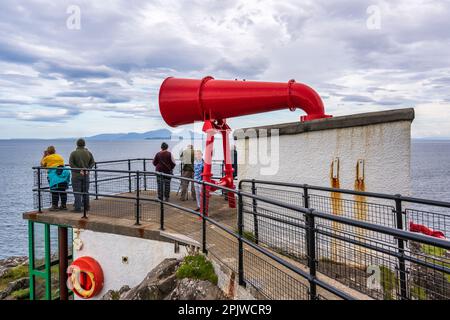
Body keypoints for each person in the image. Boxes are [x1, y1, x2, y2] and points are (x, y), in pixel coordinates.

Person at [69, 138, 95, 213]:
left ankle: (77, 208)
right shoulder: (88, 153)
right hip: (86, 174)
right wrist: (88, 169)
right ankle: (86, 207)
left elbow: (71, 164)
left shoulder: (73, 153)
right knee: (85, 191)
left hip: (76, 175)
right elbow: (93, 162)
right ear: (84, 144)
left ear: (77, 144)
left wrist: (79, 170)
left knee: (77, 191)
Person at [40, 146, 66, 211]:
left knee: (54, 190)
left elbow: (42, 164)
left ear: (48, 151)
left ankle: (55, 206)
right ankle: (63, 205)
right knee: (62, 190)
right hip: (63, 174)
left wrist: (44, 155)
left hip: (54, 175)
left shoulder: (47, 157)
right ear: (55, 151)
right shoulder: (59, 156)